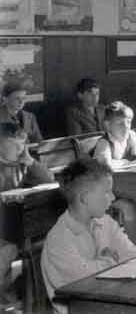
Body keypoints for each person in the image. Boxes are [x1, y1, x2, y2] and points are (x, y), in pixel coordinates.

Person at [41, 159, 136, 314]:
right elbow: (86, 286)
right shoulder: (58, 240)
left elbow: (132, 256)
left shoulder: (105, 221)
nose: (113, 197)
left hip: (111, 301)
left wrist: (97, 265)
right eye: (107, 192)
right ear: (85, 198)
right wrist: (110, 260)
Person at [0, 122, 53, 306]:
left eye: (22, 144)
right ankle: (7, 299)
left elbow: (48, 179)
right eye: (14, 144)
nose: (20, 148)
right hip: (4, 234)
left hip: (18, 229)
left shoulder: (22, 165)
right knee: (7, 252)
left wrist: (30, 161)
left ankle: (19, 299)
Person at [93, 101, 136, 248]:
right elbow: (106, 166)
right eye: (120, 123)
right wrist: (131, 163)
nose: (126, 126)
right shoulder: (104, 143)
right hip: (109, 189)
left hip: (129, 185)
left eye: (128, 122)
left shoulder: (132, 136)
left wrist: (123, 164)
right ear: (107, 125)